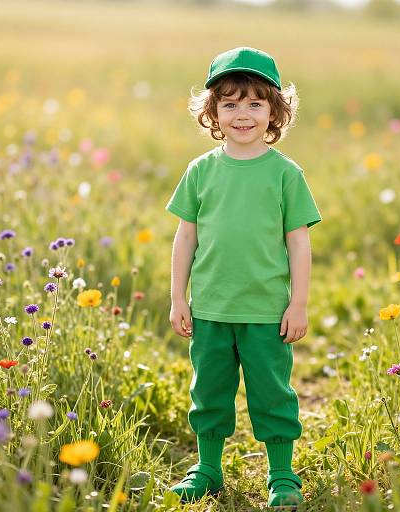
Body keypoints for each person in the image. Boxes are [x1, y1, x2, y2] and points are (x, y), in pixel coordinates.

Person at [165, 46, 322, 509]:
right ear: (212, 111)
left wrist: (299, 303)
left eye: (255, 103)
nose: (243, 114)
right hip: (210, 306)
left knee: (272, 393)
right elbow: (185, 238)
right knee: (209, 390)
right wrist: (178, 297)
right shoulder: (200, 172)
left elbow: (299, 242)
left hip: (266, 311)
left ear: (275, 110)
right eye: (230, 103)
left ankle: (281, 475)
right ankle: (207, 469)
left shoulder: (285, 175)